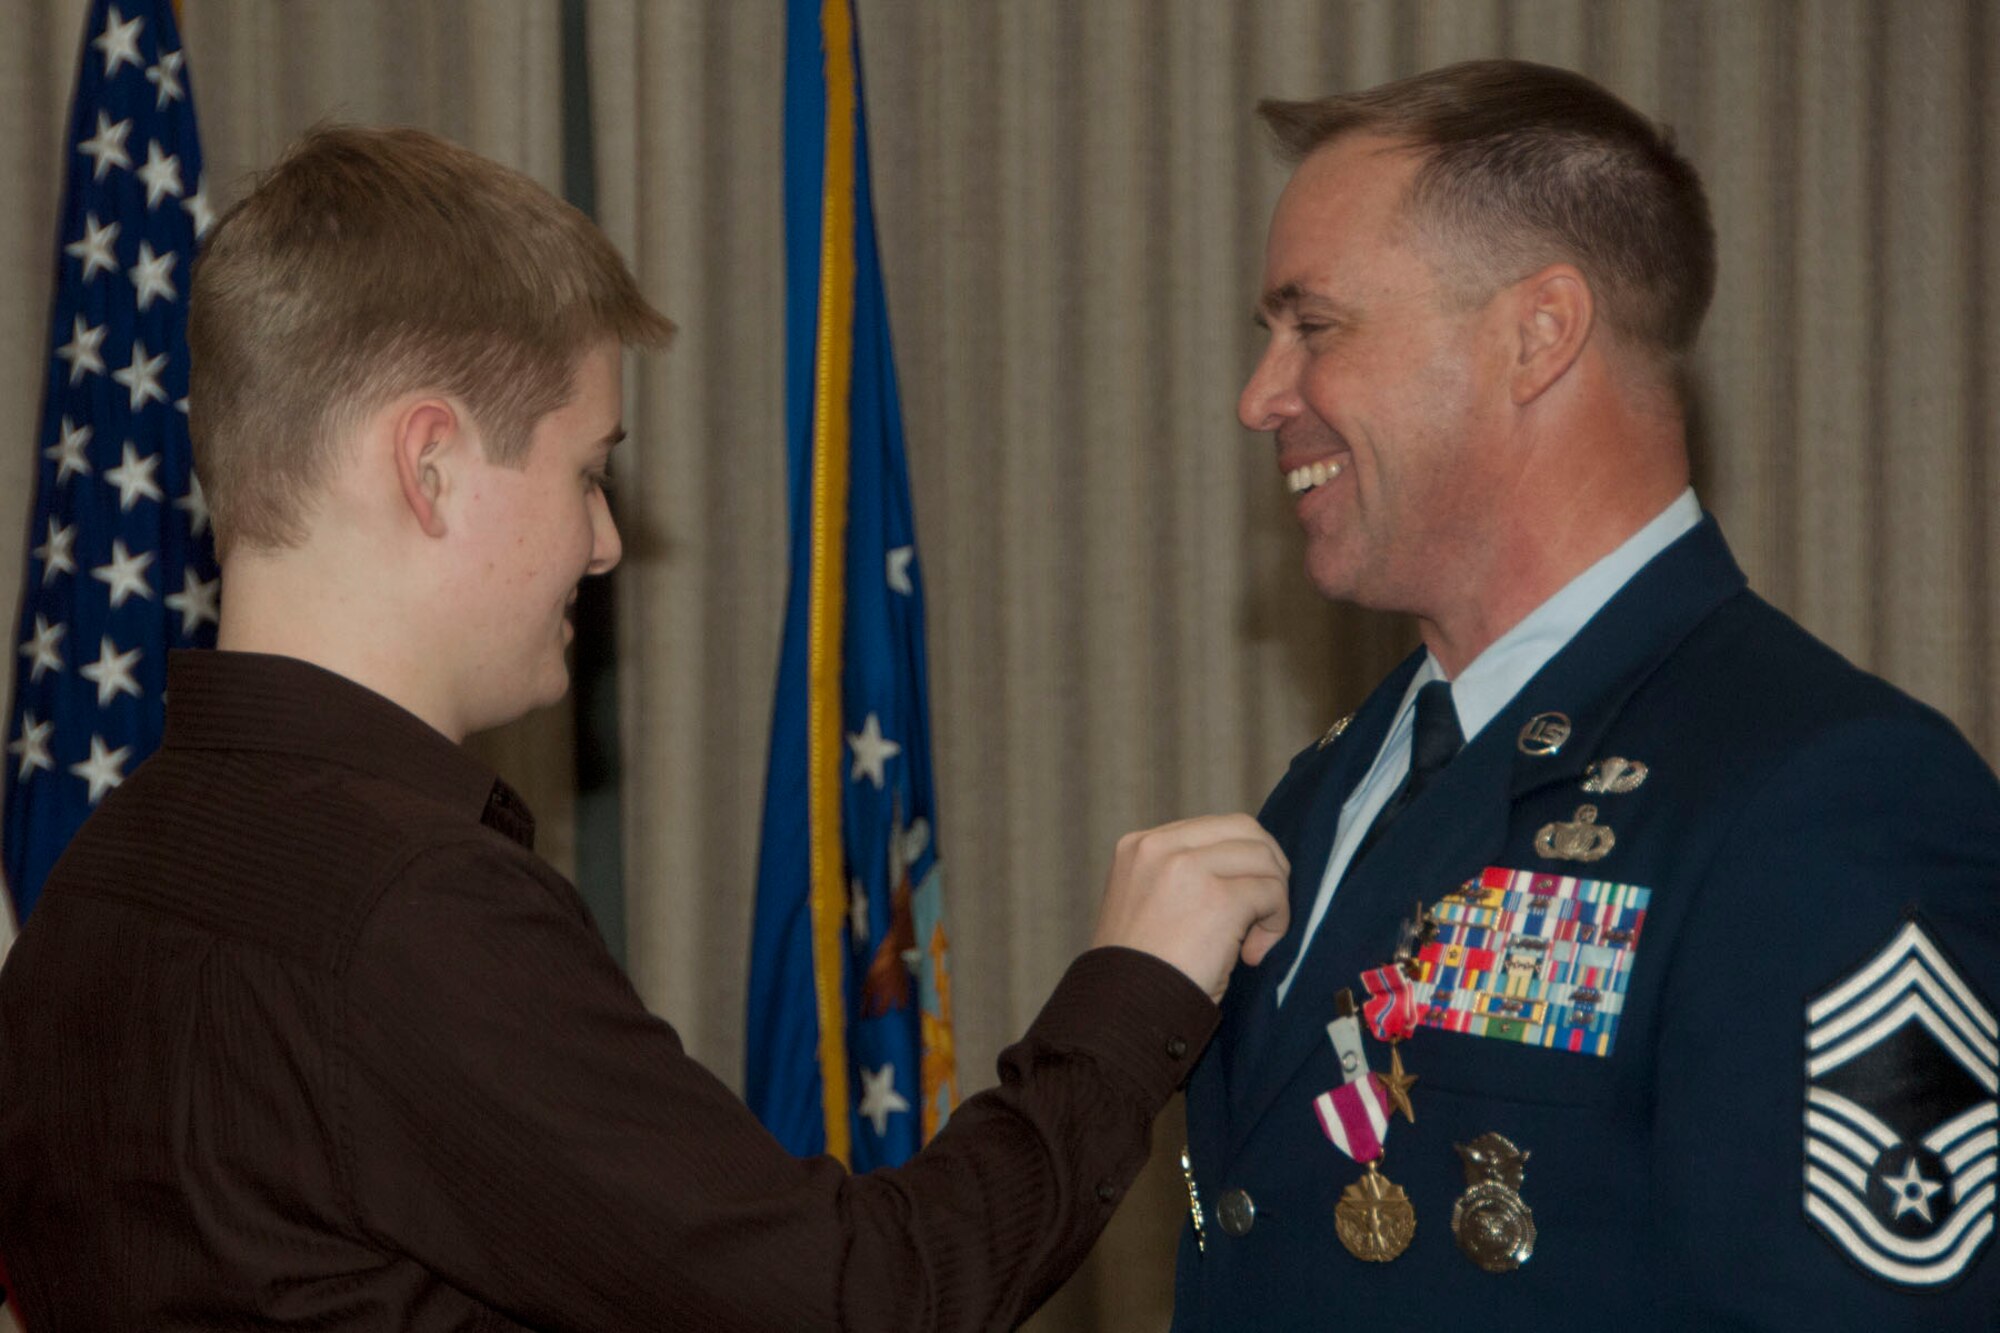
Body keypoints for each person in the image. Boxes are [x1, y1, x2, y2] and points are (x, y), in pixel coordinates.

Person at [0, 124, 1292, 1330]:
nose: (606, 542)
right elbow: (859, 1297)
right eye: (587, 470)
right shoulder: (410, 907)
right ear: (430, 464)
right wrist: (1133, 994)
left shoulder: (102, 868)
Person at [1174, 59, 2000, 1328]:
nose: (1260, 397)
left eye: (1314, 326)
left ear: (1536, 333)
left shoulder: (1826, 794)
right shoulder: (1338, 780)